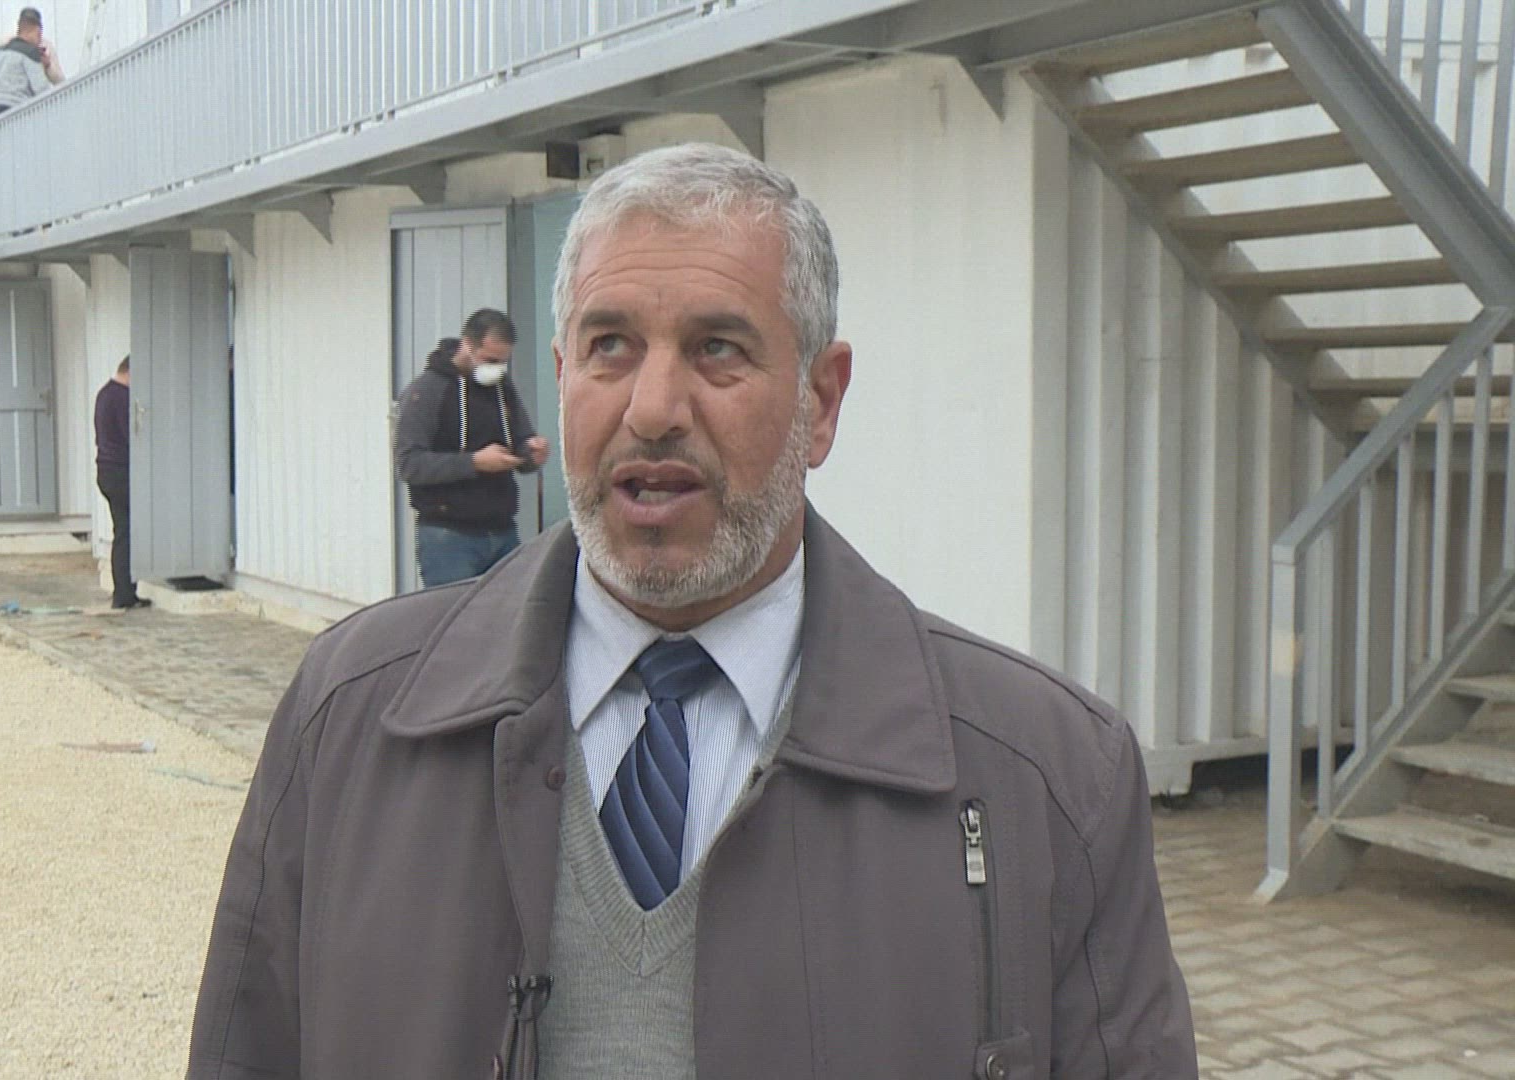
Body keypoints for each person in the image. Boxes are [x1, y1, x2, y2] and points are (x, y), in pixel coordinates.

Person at [187, 144, 1196, 1079]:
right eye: (611, 346)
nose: (653, 408)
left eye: (717, 349)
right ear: (562, 378)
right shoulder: (349, 719)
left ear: (821, 402)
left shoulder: (1049, 778)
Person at [393, 308, 550, 587]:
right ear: (467, 344)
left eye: (503, 362)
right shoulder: (427, 390)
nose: (497, 369)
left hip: (502, 530)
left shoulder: (501, 387)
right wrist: (474, 462)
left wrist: (531, 453)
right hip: (448, 537)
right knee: (453, 613)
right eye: (490, 360)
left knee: (509, 610)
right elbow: (409, 464)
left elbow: (520, 441)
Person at [94, 357, 146, 610]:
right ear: (130, 372)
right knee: (126, 532)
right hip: (120, 470)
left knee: (122, 530)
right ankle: (124, 593)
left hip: (106, 469)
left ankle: (125, 592)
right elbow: (132, 436)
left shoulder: (104, 394)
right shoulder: (122, 397)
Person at [0, 6, 65, 119]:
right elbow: (42, 90)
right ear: (37, 30)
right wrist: (44, 67)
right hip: (20, 115)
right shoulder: (30, 52)